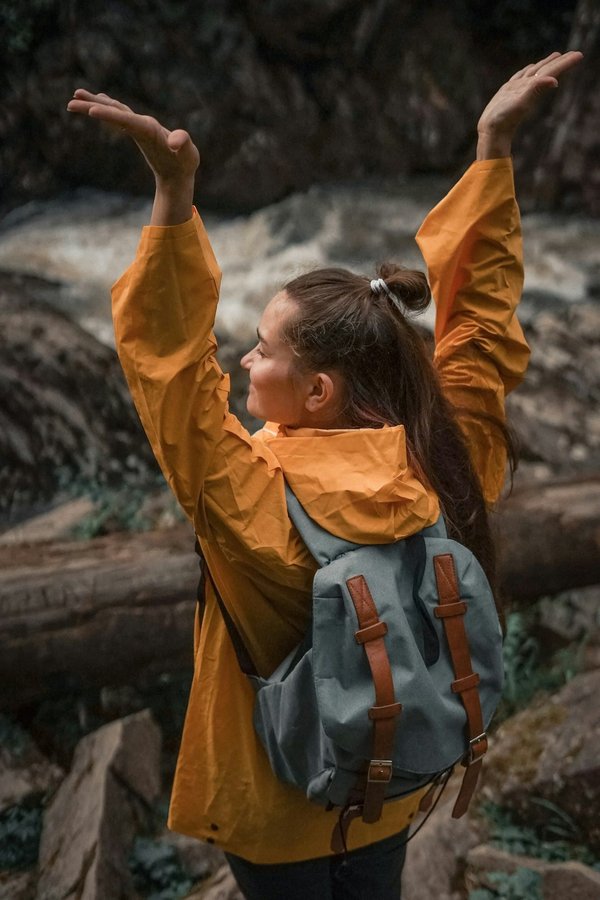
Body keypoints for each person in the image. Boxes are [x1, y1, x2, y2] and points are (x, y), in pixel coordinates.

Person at [68, 50, 582, 900]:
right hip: (398, 781)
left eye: (263, 348)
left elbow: (170, 377)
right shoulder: (447, 459)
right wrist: (492, 150)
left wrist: (173, 196)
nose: (244, 356)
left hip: (280, 805)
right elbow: (479, 332)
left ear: (317, 391)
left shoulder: (255, 499)